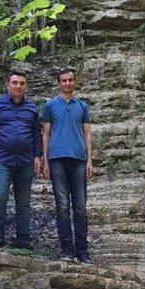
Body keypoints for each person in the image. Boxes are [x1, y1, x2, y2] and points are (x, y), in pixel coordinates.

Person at [0, 71, 41, 250]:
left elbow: (36, 133)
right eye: (15, 83)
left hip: (25, 161)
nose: (18, 86)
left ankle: (23, 239)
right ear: (8, 85)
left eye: (22, 83)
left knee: (24, 201)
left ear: (26, 86)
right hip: (1, 160)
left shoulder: (31, 108)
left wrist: (38, 156)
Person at [42, 68, 93, 265]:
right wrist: (45, 160)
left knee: (80, 207)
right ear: (59, 83)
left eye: (70, 80)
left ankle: (83, 252)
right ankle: (66, 250)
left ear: (75, 82)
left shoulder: (82, 106)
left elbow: (87, 134)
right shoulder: (50, 106)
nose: (67, 83)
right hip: (57, 160)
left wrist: (90, 160)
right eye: (64, 80)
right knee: (62, 206)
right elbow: (45, 135)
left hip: (79, 160)